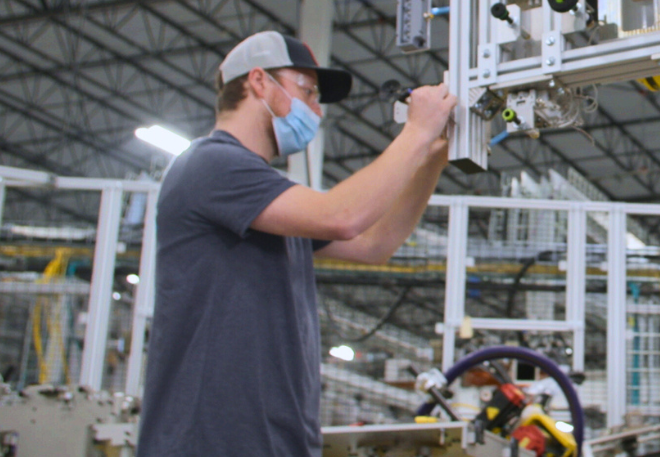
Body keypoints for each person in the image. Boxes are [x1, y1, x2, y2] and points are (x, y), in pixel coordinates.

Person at [137, 31, 459, 457]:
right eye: (307, 92)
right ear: (259, 82)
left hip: (275, 441)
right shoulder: (211, 164)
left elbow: (373, 242)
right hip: (210, 441)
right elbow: (343, 217)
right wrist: (416, 132)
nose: (315, 111)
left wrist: (432, 155)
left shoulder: (264, 196)